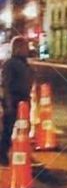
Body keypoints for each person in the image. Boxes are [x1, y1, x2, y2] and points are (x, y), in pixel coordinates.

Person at [1, 37, 35, 165]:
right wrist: (8, 102)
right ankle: (2, 154)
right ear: (18, 48)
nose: (27, 50)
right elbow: (6, 85)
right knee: (8, 129)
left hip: (24, 101)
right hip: (14, 100)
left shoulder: (23, 63)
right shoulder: (10, 64)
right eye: (25, 47)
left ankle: (23, 153)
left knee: (24, 129)